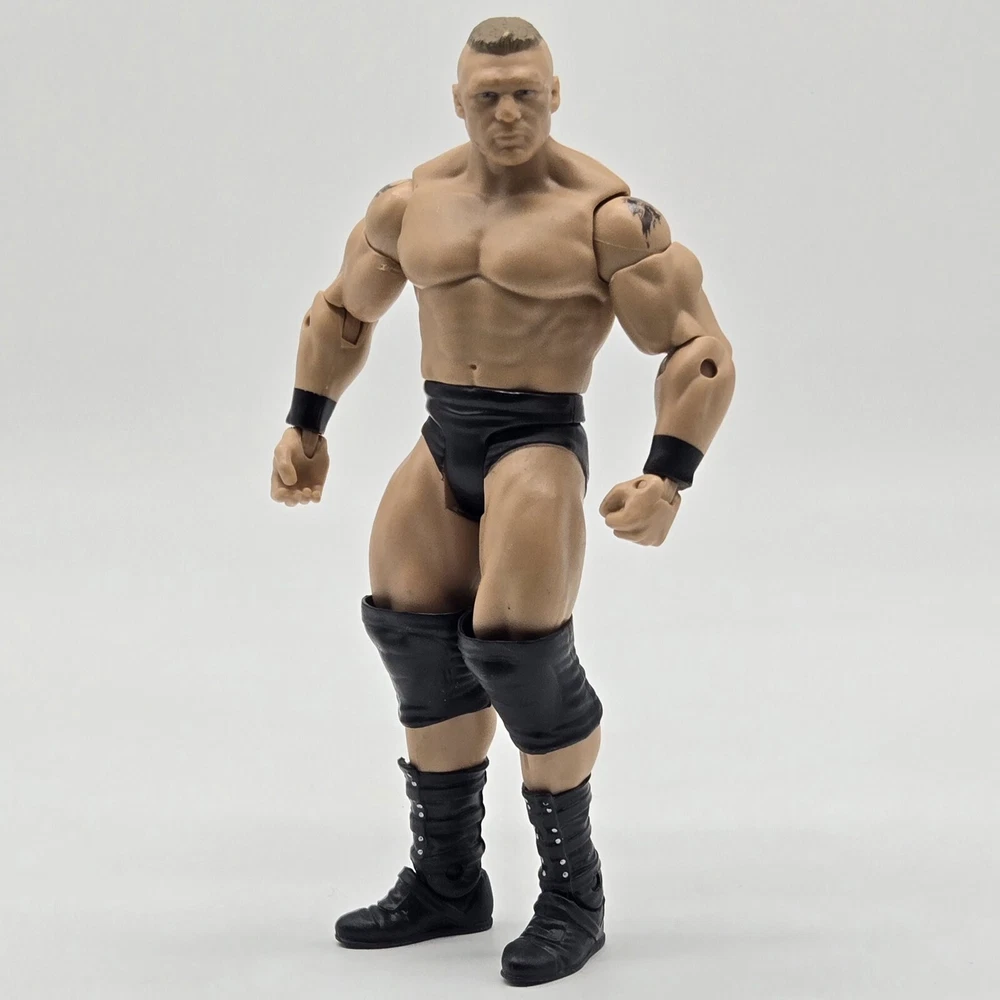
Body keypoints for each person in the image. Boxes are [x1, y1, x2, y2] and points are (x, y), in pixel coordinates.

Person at [270, 15, 735, 988]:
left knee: (521, 655)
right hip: (443, 433)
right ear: (459, 102)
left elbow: (696, 348)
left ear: (556, 95)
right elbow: (343, 310)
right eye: (490, 96)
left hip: (536, 441)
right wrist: (306, 423)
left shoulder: (608, 218)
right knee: (412, 633)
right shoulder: (412, 204)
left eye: (527, 93)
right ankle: (447, 880)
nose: (510, 112)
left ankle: (573, 894)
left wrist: (668, 476)